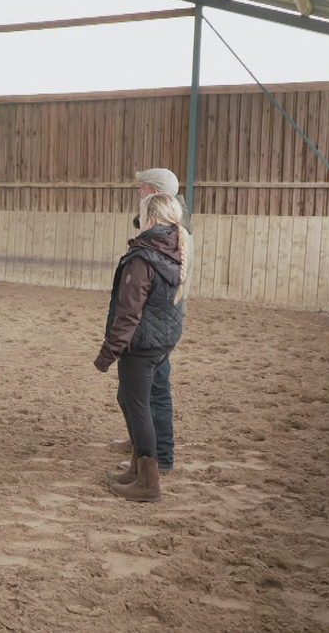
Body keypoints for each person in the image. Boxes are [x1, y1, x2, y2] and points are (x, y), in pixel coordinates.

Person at [94, 193, 190, 502]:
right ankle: (138, 468)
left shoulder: (142, 257)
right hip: (161, 340)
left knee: (138, 407)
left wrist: (108, 352)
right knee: (130, 399)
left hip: (142, 344)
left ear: (150, 220)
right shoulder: (173, 250)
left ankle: (148, 483)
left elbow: (129, 312)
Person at [109, 168, 193, 474]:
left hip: (156, 325)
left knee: (153, 394)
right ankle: (141, 447)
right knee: (137, 394)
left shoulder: (173, 232)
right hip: (160, 323)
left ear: (154, 193)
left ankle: (160, 458)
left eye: (142, 189)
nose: (138, 194)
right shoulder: (167, 226)